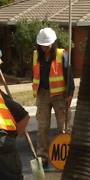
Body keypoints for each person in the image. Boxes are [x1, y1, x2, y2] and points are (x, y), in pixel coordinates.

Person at [32, 28, 75, 168]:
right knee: (42, 127)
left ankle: (66, 156)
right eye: (43, 45)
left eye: (47, 45)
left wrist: (70, 93)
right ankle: (42, 157)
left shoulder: (61, 55)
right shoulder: (36, 56)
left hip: (60, 95)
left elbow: (69, 74)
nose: (45, 48)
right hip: (42, 94)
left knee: (64, 127)